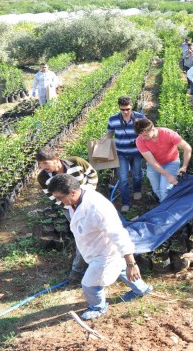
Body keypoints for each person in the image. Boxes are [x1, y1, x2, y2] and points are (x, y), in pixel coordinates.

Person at [48, 174, 153, 320]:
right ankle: (141, 289)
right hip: (96, 248)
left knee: (89, 284)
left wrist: (131, 263)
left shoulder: (97, 208)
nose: (59, 202)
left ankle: (98, 306)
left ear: (72, 192)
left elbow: (119, 234)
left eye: (60, 198)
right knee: (122, 269)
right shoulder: (78, 197)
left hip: (105, 253)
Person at [36, 146, 98, 282]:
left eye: (46, 163)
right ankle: (78, 269)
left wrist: (87, 192)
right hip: (69, 208)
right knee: (81, 235)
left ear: (56, 159)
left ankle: (93, 262)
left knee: (95, 232)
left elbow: (92, 175)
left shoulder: (77, 162)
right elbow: (52, 197)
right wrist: (70, 205)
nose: (43, 167)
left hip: (88, 201)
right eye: (40, 164)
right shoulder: (43, 177)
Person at [134, 118, 192, 202]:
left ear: (153, 129)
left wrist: (184, 166)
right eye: (141, 135)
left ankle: (168, 211)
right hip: (154, 164)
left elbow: (187, 148)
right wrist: (168, 175)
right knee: (156, 189)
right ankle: (165, 205)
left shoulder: (168, 134)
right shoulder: (140, 140)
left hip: (171, 162)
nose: (143, 138)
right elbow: (153, 162)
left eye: (145, 135)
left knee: (164, 189)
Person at [106, 96, 146, 213]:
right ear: (119, 108)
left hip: (136, 153)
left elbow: (146, 133)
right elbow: (110, 133)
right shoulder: (113, 119)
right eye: (122, 109)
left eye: (127, 109)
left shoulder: (139, 117)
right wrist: (102, 142)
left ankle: (137, 190)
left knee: (137, 174)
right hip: (121, 153)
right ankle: (125, 202)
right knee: (123, 179)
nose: (125, 112)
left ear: (131, 106)